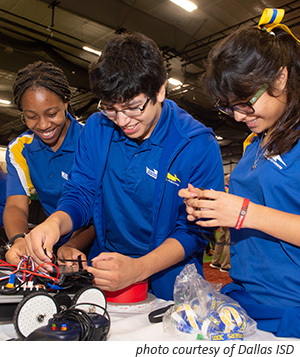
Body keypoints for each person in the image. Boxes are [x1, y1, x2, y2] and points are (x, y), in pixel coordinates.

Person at [23, 32, 224, 300]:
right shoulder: (97, 127)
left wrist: (140, 268)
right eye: (110, 108)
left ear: (161, 90)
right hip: (105, 272)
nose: (122, 121)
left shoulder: (196, 144)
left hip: (170, 281)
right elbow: (80, 193)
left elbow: (195, 230)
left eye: (133, 107)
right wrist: (55, 224)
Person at [179, 9, 300, 337]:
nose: (236, 116)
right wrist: (214, 205)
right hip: (247, 299)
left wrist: (244, 213)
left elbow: (255, 213)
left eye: (246, 102)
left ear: (280, 77)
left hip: (291, 308)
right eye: (228, 106)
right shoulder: (255, 143)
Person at [3, 61, 95, 265]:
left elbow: (101, 209)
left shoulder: (90, 140)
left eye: (51, 114)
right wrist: (18, 240)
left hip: (92, 247)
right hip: (49, 246)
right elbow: (16, 206)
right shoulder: (20, 149)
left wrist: (72, 245)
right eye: (31, 117)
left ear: (66, 102)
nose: (43, 125)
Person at [209, 174, 231, 272]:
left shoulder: (222, 189)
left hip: (221, 216)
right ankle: (226, 265)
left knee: (221, 240)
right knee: (228, 241)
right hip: (228, 217)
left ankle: (215, 261)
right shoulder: (229, 190)